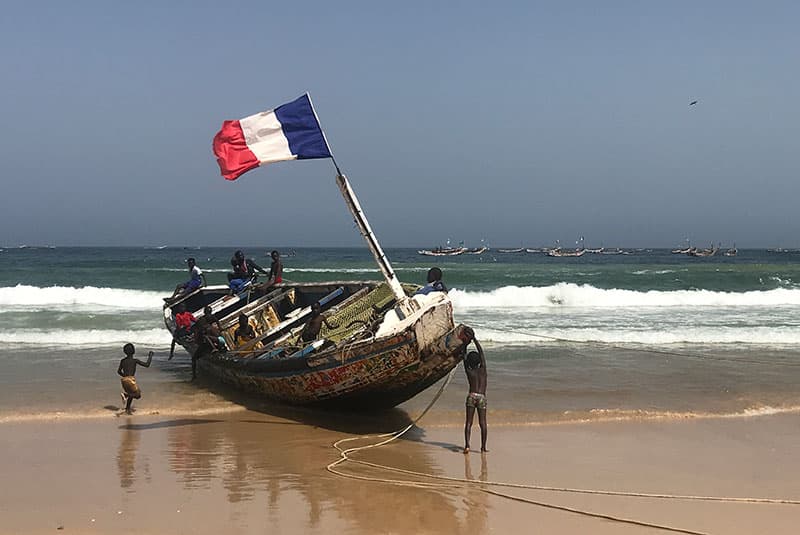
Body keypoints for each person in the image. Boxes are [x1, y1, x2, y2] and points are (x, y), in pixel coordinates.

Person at [462, 328, 487, 454]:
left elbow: (464, 356)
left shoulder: (469, 371)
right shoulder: (483, 370)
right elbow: (481, 353)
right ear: (479, 362)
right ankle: (482, 448)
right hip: (481, 397)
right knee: (483, 423)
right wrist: (475, 340)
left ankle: (467, 445)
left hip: (471, 396)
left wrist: (466, 343)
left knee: (469, 422)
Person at [117, 343, 153, 415]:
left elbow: (118, 371)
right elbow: (147, 365)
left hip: (124, 380)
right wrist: (150, 356)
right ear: (134, 351)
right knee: (137, 395)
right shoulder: (134, 360)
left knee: (131, 394)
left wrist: (125, 376)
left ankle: (127, 409)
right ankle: (125, 395)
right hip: (130, 379)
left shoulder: (123, 360)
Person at [191, 306, 226, 379]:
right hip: (215, 341)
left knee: (194, 358)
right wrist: (220, 328)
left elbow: (196, 331)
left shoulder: (205, 324)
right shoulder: (209, 321)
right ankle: (194, 376)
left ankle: (194, 376)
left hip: (209, 343)